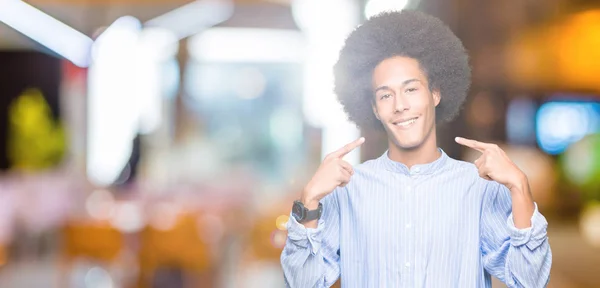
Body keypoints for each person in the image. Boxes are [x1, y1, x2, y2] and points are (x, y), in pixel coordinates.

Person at [280, 10, 552, 288]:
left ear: (435, 94)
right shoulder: (348, 190)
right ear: (374, 108)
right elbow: (303, 284)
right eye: (386, 95)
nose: (399, 105)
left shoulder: (478, 188)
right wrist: (310, 199)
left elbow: (529, 281)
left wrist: (520, 187)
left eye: (411, 89)